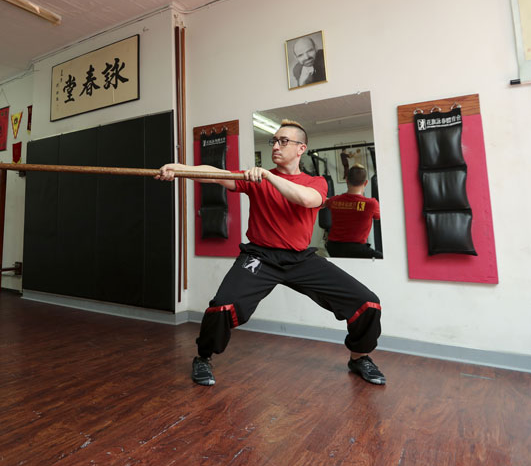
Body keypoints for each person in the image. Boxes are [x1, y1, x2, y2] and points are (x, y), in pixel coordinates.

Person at [157, 119, 385, 387]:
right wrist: (180, 169)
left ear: (301, 148)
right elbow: (216, 173)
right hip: (260, 257)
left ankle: (359, 358)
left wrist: (268, 177)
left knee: (367, 303)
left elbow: (307, 200)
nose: (276, 146)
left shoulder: (315, 181)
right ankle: (203, 357)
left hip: (301, 259)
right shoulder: (257, 179)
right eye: (274, 141)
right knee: (222, 306)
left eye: (283, 141)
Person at [325, 163, 382, 259]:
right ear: (366, 183)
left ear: (347, 180)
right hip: (357, 249)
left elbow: (323, 202)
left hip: (333, 248)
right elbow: (378, 217)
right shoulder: (372, 204)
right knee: (382, 259)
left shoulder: (333, 201)